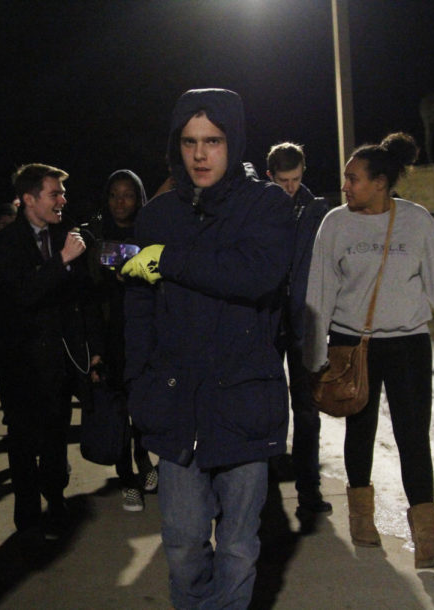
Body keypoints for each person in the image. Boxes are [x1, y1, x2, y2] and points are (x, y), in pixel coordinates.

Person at [121, 88, 294, 609]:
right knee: (182, 546)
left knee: (238, 548)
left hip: (244, 398)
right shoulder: (156, 216)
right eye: (190, 141)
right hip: (177, 404)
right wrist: (136, 384)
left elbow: (257, 274)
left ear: (232, 141)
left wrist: (170, 260)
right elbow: (138, 310)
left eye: (213, 141)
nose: (200, 154)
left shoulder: (266, 204)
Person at [303, 131, 434, 568]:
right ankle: (362, 519)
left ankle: (428, 541)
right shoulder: (336, 223)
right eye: (346, 178)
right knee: (359, 429)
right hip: (352, 342)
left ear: (380, 182)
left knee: (413, 436)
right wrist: (314, 353)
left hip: (407, 344)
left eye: (354, 178)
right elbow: (320, 291)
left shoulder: (416, 221)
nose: (345, 186)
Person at [0, 163, 102, 549]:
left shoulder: (65, 237)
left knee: (54, 439)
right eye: (54, 194)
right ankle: (27, 516)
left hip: (60, 362)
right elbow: (20, 295)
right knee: (22, 443)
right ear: (29, 199)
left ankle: (56, 498)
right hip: (21, 364)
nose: (62, 201)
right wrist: (61, 261)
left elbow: (81, 298)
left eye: (62, 194)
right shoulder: (3, 244)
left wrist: (91, 349)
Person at [265, 142, 333, 516]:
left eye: (295, 179)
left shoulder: (318, 209)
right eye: (283, 180)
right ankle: (267, 486)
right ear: (270, 175)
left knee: (306, 409)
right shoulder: (261, 206)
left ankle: (309, 492)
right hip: (268, 318)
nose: (290, 187)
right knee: (269, 404)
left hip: (304, 320)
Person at [88, 169, 157, 511]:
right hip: (111, 335)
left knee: (142, 407)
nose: (120, 202)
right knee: (117, 412)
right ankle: (126, 478)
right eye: (114, 194)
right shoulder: (96, 236)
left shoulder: (150, 233)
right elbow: (89, 296)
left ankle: (144, 460)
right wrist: (95, 350)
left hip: (144, 334)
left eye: (128, 194)